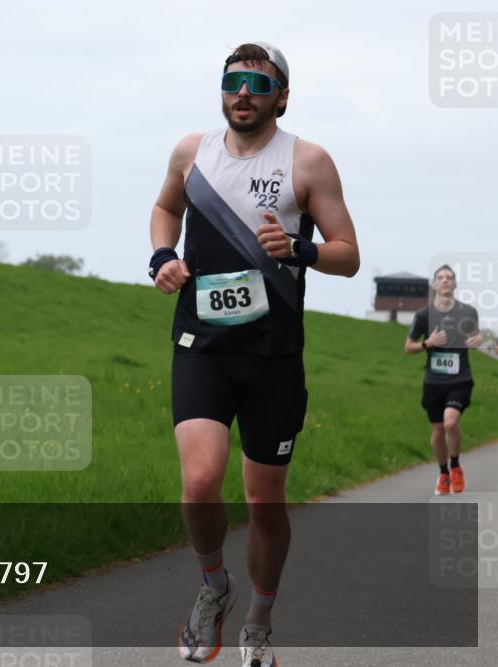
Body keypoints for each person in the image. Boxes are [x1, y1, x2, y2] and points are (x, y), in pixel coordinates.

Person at [147, 42, 360, 666]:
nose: (244, 92)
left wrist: (301, 249)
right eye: (233, 81)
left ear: (281, 97)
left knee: (265, 502)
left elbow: (348, 254)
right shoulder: (192, 152)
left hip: (272, 356)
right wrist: (162, 257)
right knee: (199, 482)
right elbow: (165, 208)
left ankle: (259, 624)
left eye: (259, 84)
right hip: (203, 344)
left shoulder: (309, 161)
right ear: (222, 90)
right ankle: (214, 586)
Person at [404, 265, 483, 495]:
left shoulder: (468, 312)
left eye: (449, 277)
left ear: (455, 284)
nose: (445, 280)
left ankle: (455, 466)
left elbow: (475, 336)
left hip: (460, 378)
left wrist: (478, 339)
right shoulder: (423, 315)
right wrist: (428, 343)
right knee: (438, 429)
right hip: (433, 382)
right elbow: (408, 347)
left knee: (450, 423)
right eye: (441, 277)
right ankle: (443, 473)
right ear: (434, 284)